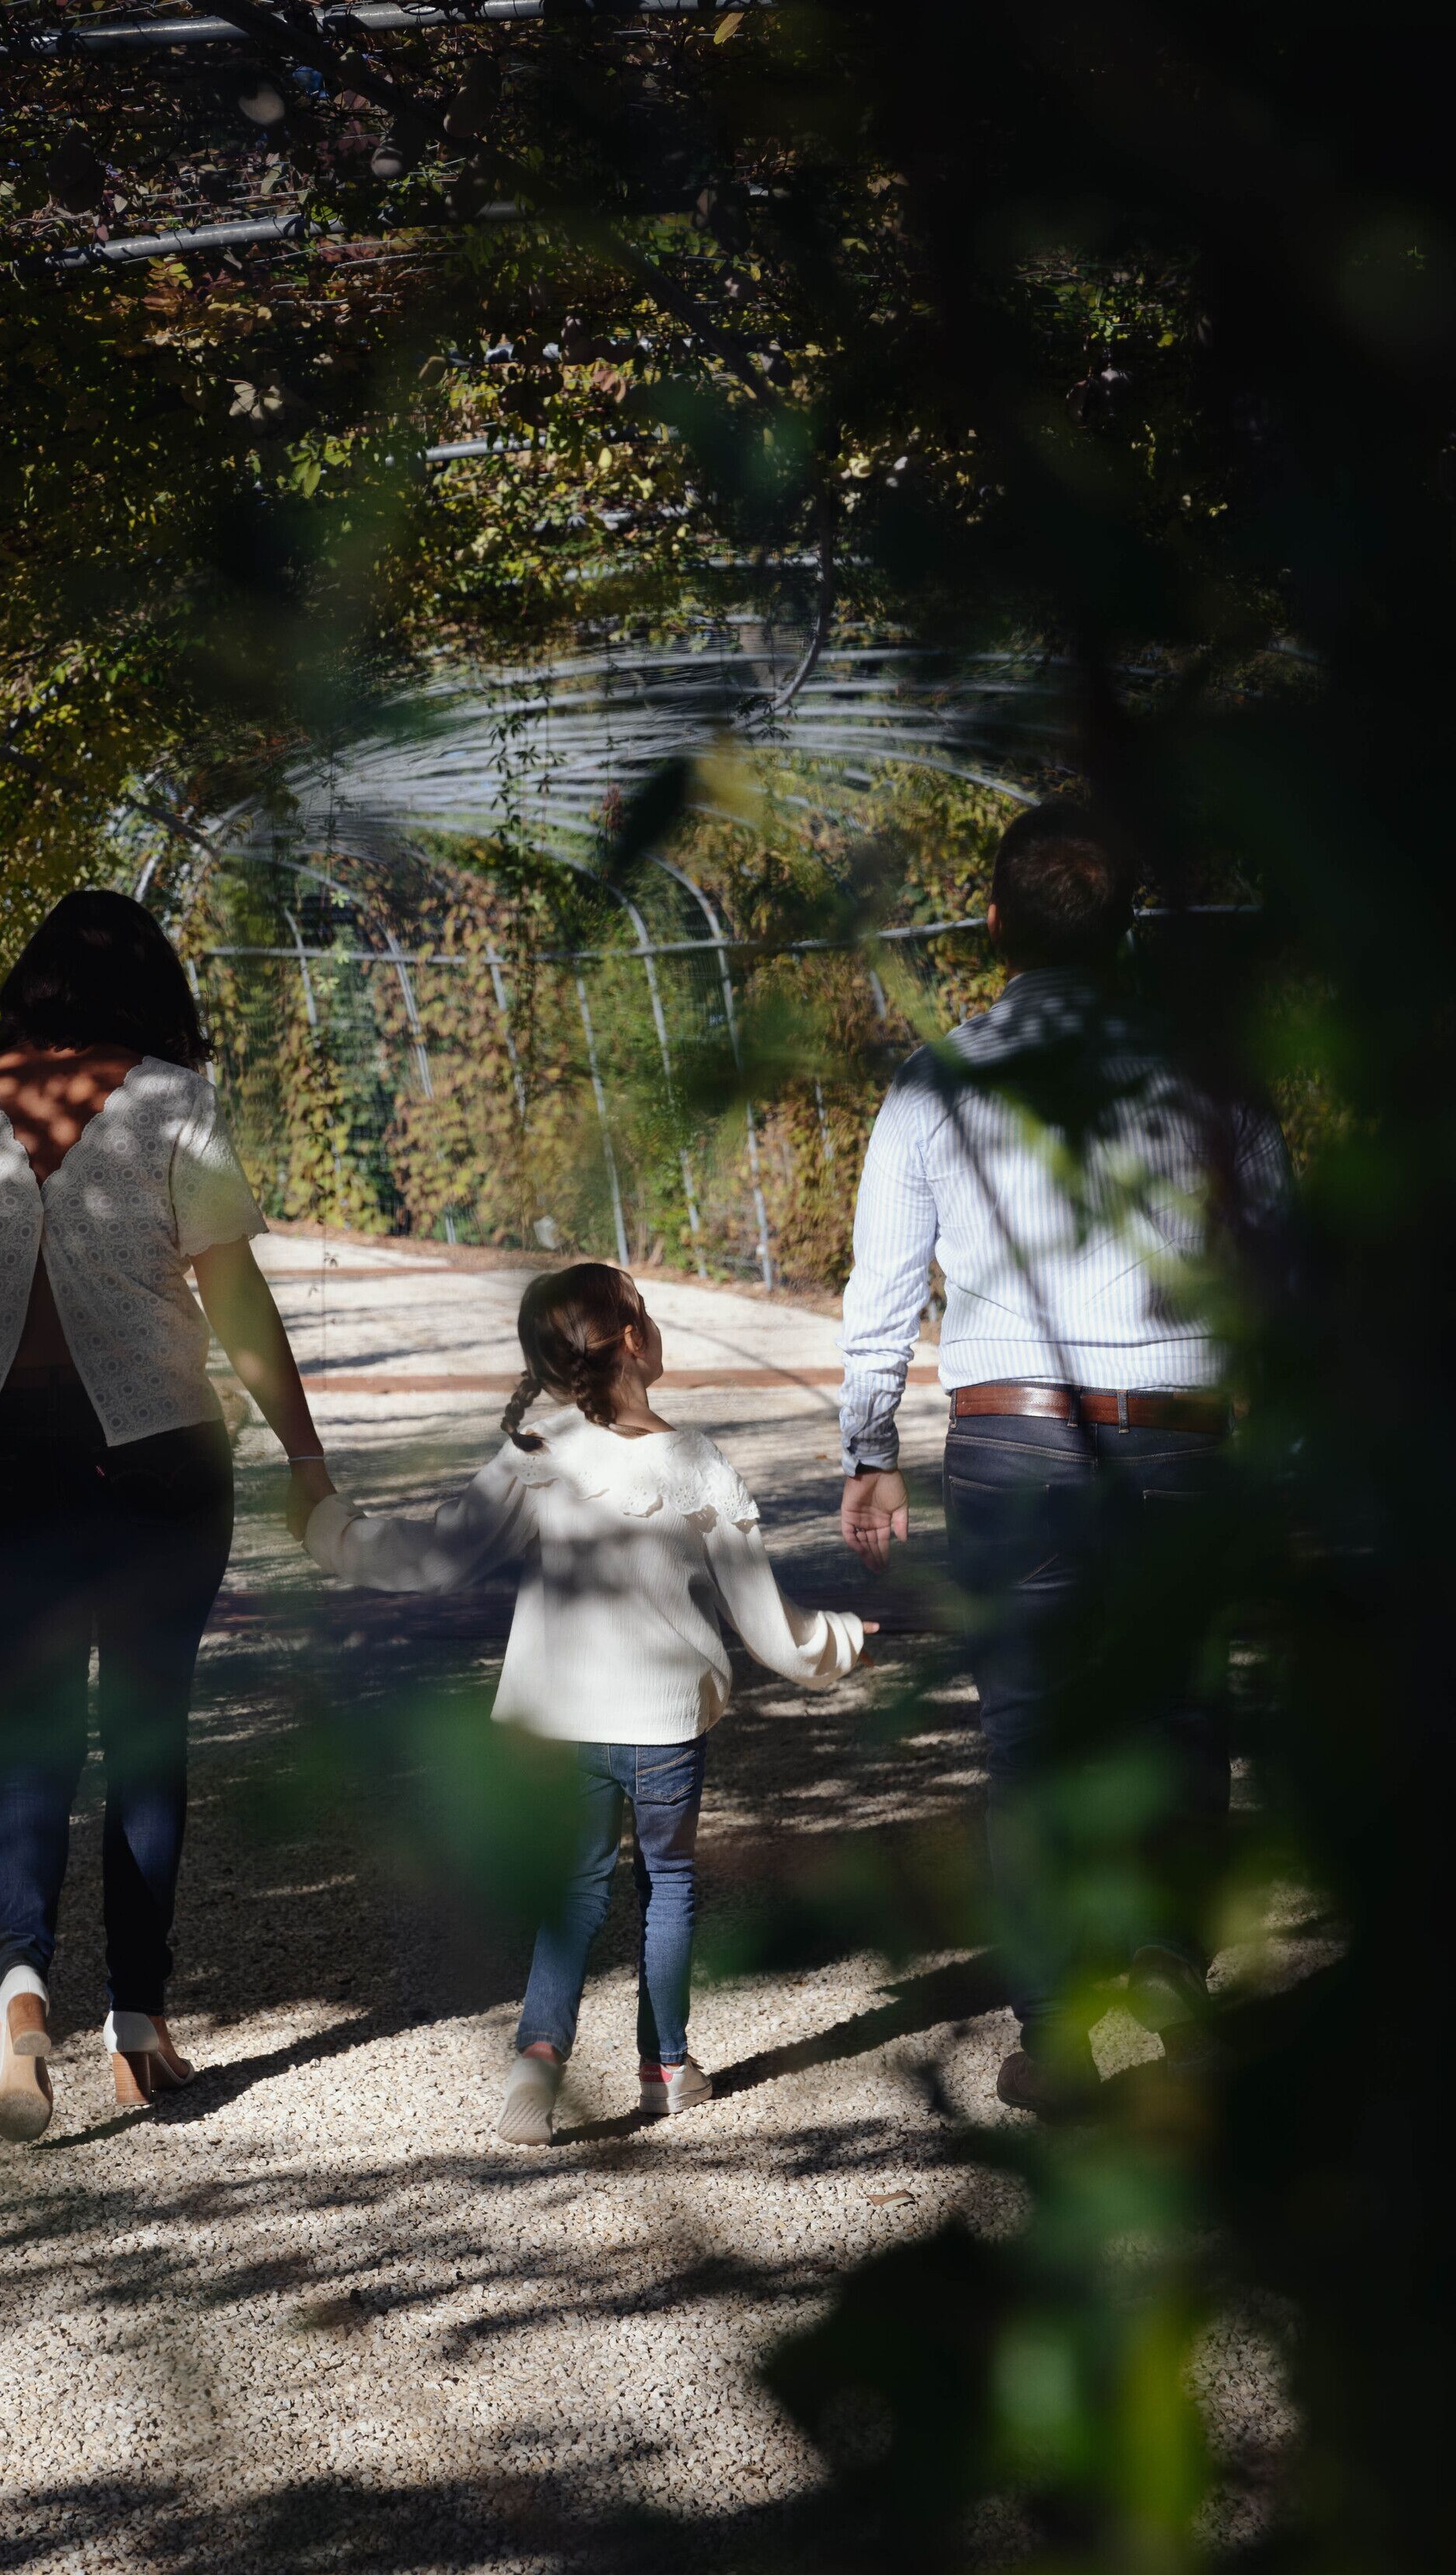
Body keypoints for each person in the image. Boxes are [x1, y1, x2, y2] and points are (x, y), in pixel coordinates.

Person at [835, 802, 1288, 2113]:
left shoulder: (938, 1077)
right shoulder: (1215, 1076)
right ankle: (1172, 1986)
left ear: (989, 922)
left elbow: (882, 1289)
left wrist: (867, 1450)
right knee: (1183, 1724)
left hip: (1005, 1444)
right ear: (1127, 927)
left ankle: (1049, 2029)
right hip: (1178, 1442)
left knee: (1024, 1736)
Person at [0, 890, 335, 2144]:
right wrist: (307, 1460)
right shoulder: (168, 1104)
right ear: (149, 992)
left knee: (26, 1739)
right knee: (146, 1732)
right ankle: (137, 2030)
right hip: (154, 1454)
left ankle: (18, 1999)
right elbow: (237, 1304)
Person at [299, 1262, 869, 2143]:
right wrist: (842, 1638)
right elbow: (772, 1631)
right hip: (667, 1727)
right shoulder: (699, 1465)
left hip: (559, 1721)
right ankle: (665, 2070)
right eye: (646, 1309)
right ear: (633, 1339)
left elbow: (438, 1555)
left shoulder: (537, 1457)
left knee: (571, 1890)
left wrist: (332, 1534)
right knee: (670, 1884)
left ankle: (537, 2060)